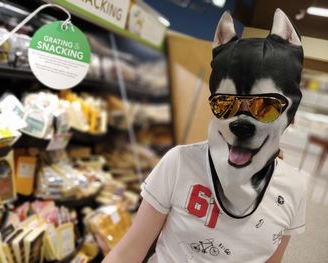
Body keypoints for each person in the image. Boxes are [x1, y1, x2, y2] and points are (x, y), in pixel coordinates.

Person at [103, 8, 306, 263]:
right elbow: (128, 251)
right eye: (225, 104)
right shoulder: (179, 163)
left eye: (265, 106)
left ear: (291, 112)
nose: (241, 122)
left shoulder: (293, 189)